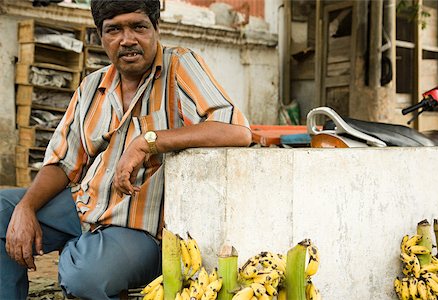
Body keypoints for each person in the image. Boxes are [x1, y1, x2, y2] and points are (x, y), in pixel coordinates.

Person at [0, 0, 251, 299]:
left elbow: (237, 130)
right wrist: (25, 208)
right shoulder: (92, 86)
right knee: (5, 209)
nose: (127, 39)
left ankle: (79, 254)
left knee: (85, 277)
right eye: (114, 30)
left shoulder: (179, 65)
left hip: (138, 230)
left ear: (156, 28)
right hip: (81, 208)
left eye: (138, 26)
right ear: (100, 36)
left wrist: (149, 141)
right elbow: (62, 163)